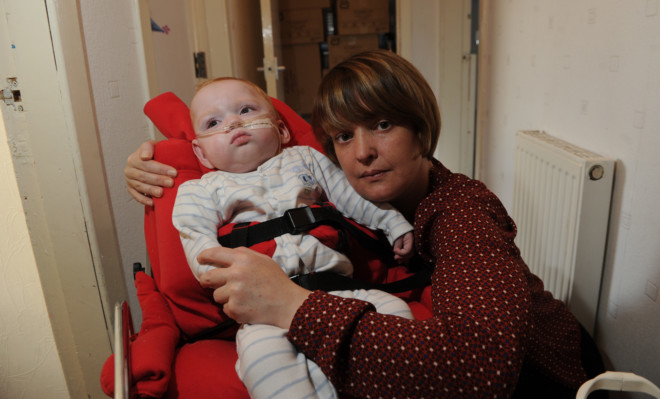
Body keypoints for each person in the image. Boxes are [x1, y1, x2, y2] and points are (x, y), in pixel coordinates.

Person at [125, 51, 606, 398]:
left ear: (421, 128)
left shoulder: (461, 211)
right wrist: (155, 165)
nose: (362, 153)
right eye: (342, 135)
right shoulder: (332, 194)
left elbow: (478, 372)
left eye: (381, 125)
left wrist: (294, 306)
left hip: (548, 379)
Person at [172, 77, 415, 399]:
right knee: (263, 360)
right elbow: (196, 238)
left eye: (246, 110)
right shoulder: (199, 190)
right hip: (262, 312)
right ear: (201, 153)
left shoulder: (305, 159)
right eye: (214, 122)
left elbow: (351, 196)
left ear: (281, 131)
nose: (233, 122)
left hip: (341, 290)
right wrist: (219, 277)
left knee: (397, 313)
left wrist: (393, 222)